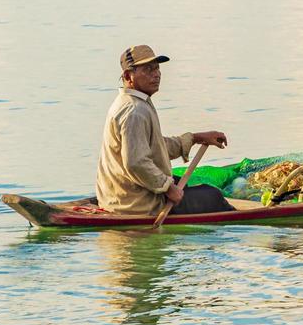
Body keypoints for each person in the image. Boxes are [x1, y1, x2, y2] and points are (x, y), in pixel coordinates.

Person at [95, 44, 233, 216]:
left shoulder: (133, 102)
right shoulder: (135, 111)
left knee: (180, 181)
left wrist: (196, 138)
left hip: (119, 197)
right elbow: (136, 162)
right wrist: (168, 189)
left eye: (157, 68)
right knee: (213, 195)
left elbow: (155, 147)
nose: (157, 74)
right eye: (148, 69)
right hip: (137, 205)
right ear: (128, 76)